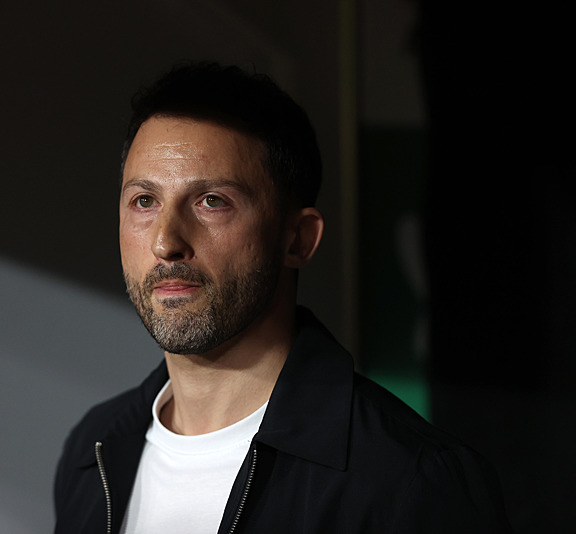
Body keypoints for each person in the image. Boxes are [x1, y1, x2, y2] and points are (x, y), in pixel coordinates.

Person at [54, 62, 511, 533]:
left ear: (298, 239)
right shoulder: (93, 449)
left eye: (212, 201)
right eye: (144, 201)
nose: (165, 242)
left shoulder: (412, 480)